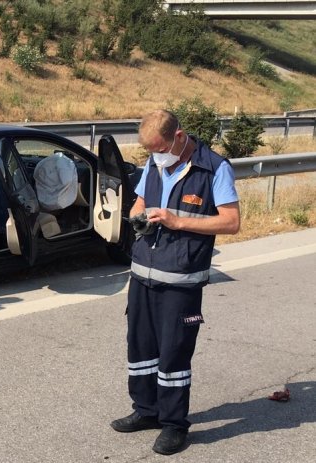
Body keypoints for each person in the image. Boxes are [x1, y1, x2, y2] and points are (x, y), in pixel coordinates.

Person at [111, 110, 240, 455]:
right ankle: (146, 411)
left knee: (173, 355)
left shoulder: (214, 168)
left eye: (161, 148)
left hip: (181, 280)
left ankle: (173, 424)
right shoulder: (154, 162)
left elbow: (231, 223)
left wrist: (176, 220)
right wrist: (138, 216)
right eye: (151, 151)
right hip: (143, 274)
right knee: (140, 349)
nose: (157, 156)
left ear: (179, 137)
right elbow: (140, 199)